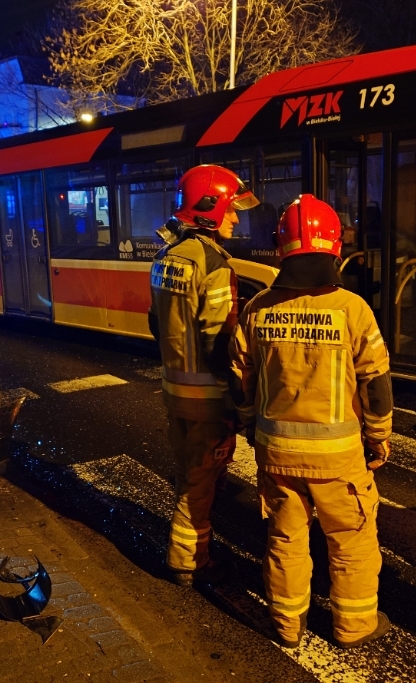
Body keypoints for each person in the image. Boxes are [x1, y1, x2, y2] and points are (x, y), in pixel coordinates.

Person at [229, 194, 393, 649]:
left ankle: (287, 624)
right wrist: (378, 437)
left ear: (281, 250)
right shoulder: (352, 309)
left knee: (284, 537)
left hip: (276, 451)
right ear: (335, 247)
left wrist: (248, 425)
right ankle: (355, 626)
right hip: (339, 458)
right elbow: (375, 384)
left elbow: (239, 378)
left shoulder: (258, 308)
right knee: (352, 541)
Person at [148, 164, 259, 587]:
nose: (235, 217)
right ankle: (188, 564)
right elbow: (220, 343)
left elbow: (155, 324)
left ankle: (195, 551)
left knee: (191, 475)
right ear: (211, 209)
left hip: (174, 392)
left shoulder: (166, 258)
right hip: (208, 401)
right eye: (231, 210)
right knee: (198, 487)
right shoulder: (213, 264)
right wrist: (240, 403)